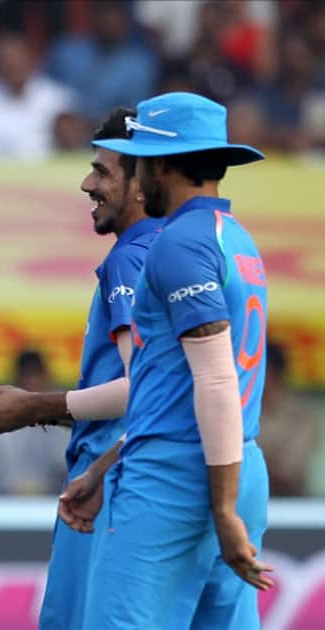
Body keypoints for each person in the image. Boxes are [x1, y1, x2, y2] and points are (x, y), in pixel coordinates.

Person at [59, 92, 273, 628]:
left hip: (176, 481)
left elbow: (215, 378)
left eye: (137, 160)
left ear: (157, 165)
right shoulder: (238, 241)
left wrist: (220, 510)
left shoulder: (181, 244)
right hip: (239, 464)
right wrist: (105, 468)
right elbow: (174, 389)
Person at [0, 106, 163, 627]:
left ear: (141, 185)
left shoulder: (132, 257)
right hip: (142, 479)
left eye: (102, 172)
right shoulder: (198, 250)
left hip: (111, 486)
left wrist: (34, 406)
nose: (87, 184)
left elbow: (140, 387)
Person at [0, 30, 76, 159]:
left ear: (31, 59)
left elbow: (74, 150)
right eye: (7, 61)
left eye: (18, 59)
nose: (14, 66)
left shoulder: (59, 99)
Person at [0, 349, 68, 496]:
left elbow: (68, 469)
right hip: (5, 502)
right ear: (16, 380)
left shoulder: (62, 414)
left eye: (37, 376)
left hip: (53, 499)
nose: (32, 383)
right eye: (27, 376)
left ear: (46, 378)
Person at [257, 341, 321, 496]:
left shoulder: (302, 418)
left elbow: (287, 474)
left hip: (287, 508)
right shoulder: (237, 412)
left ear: (276, 374)